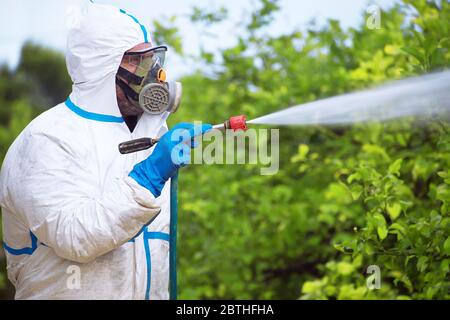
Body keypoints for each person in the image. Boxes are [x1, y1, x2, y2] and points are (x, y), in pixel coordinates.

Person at [0, 2, 210, 299]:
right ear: (103, 66)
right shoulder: (46, 140)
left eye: (153, 59)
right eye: (139, 62)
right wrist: (149, 176)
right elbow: (76, 237)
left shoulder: (148, 135)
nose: (155, 73)